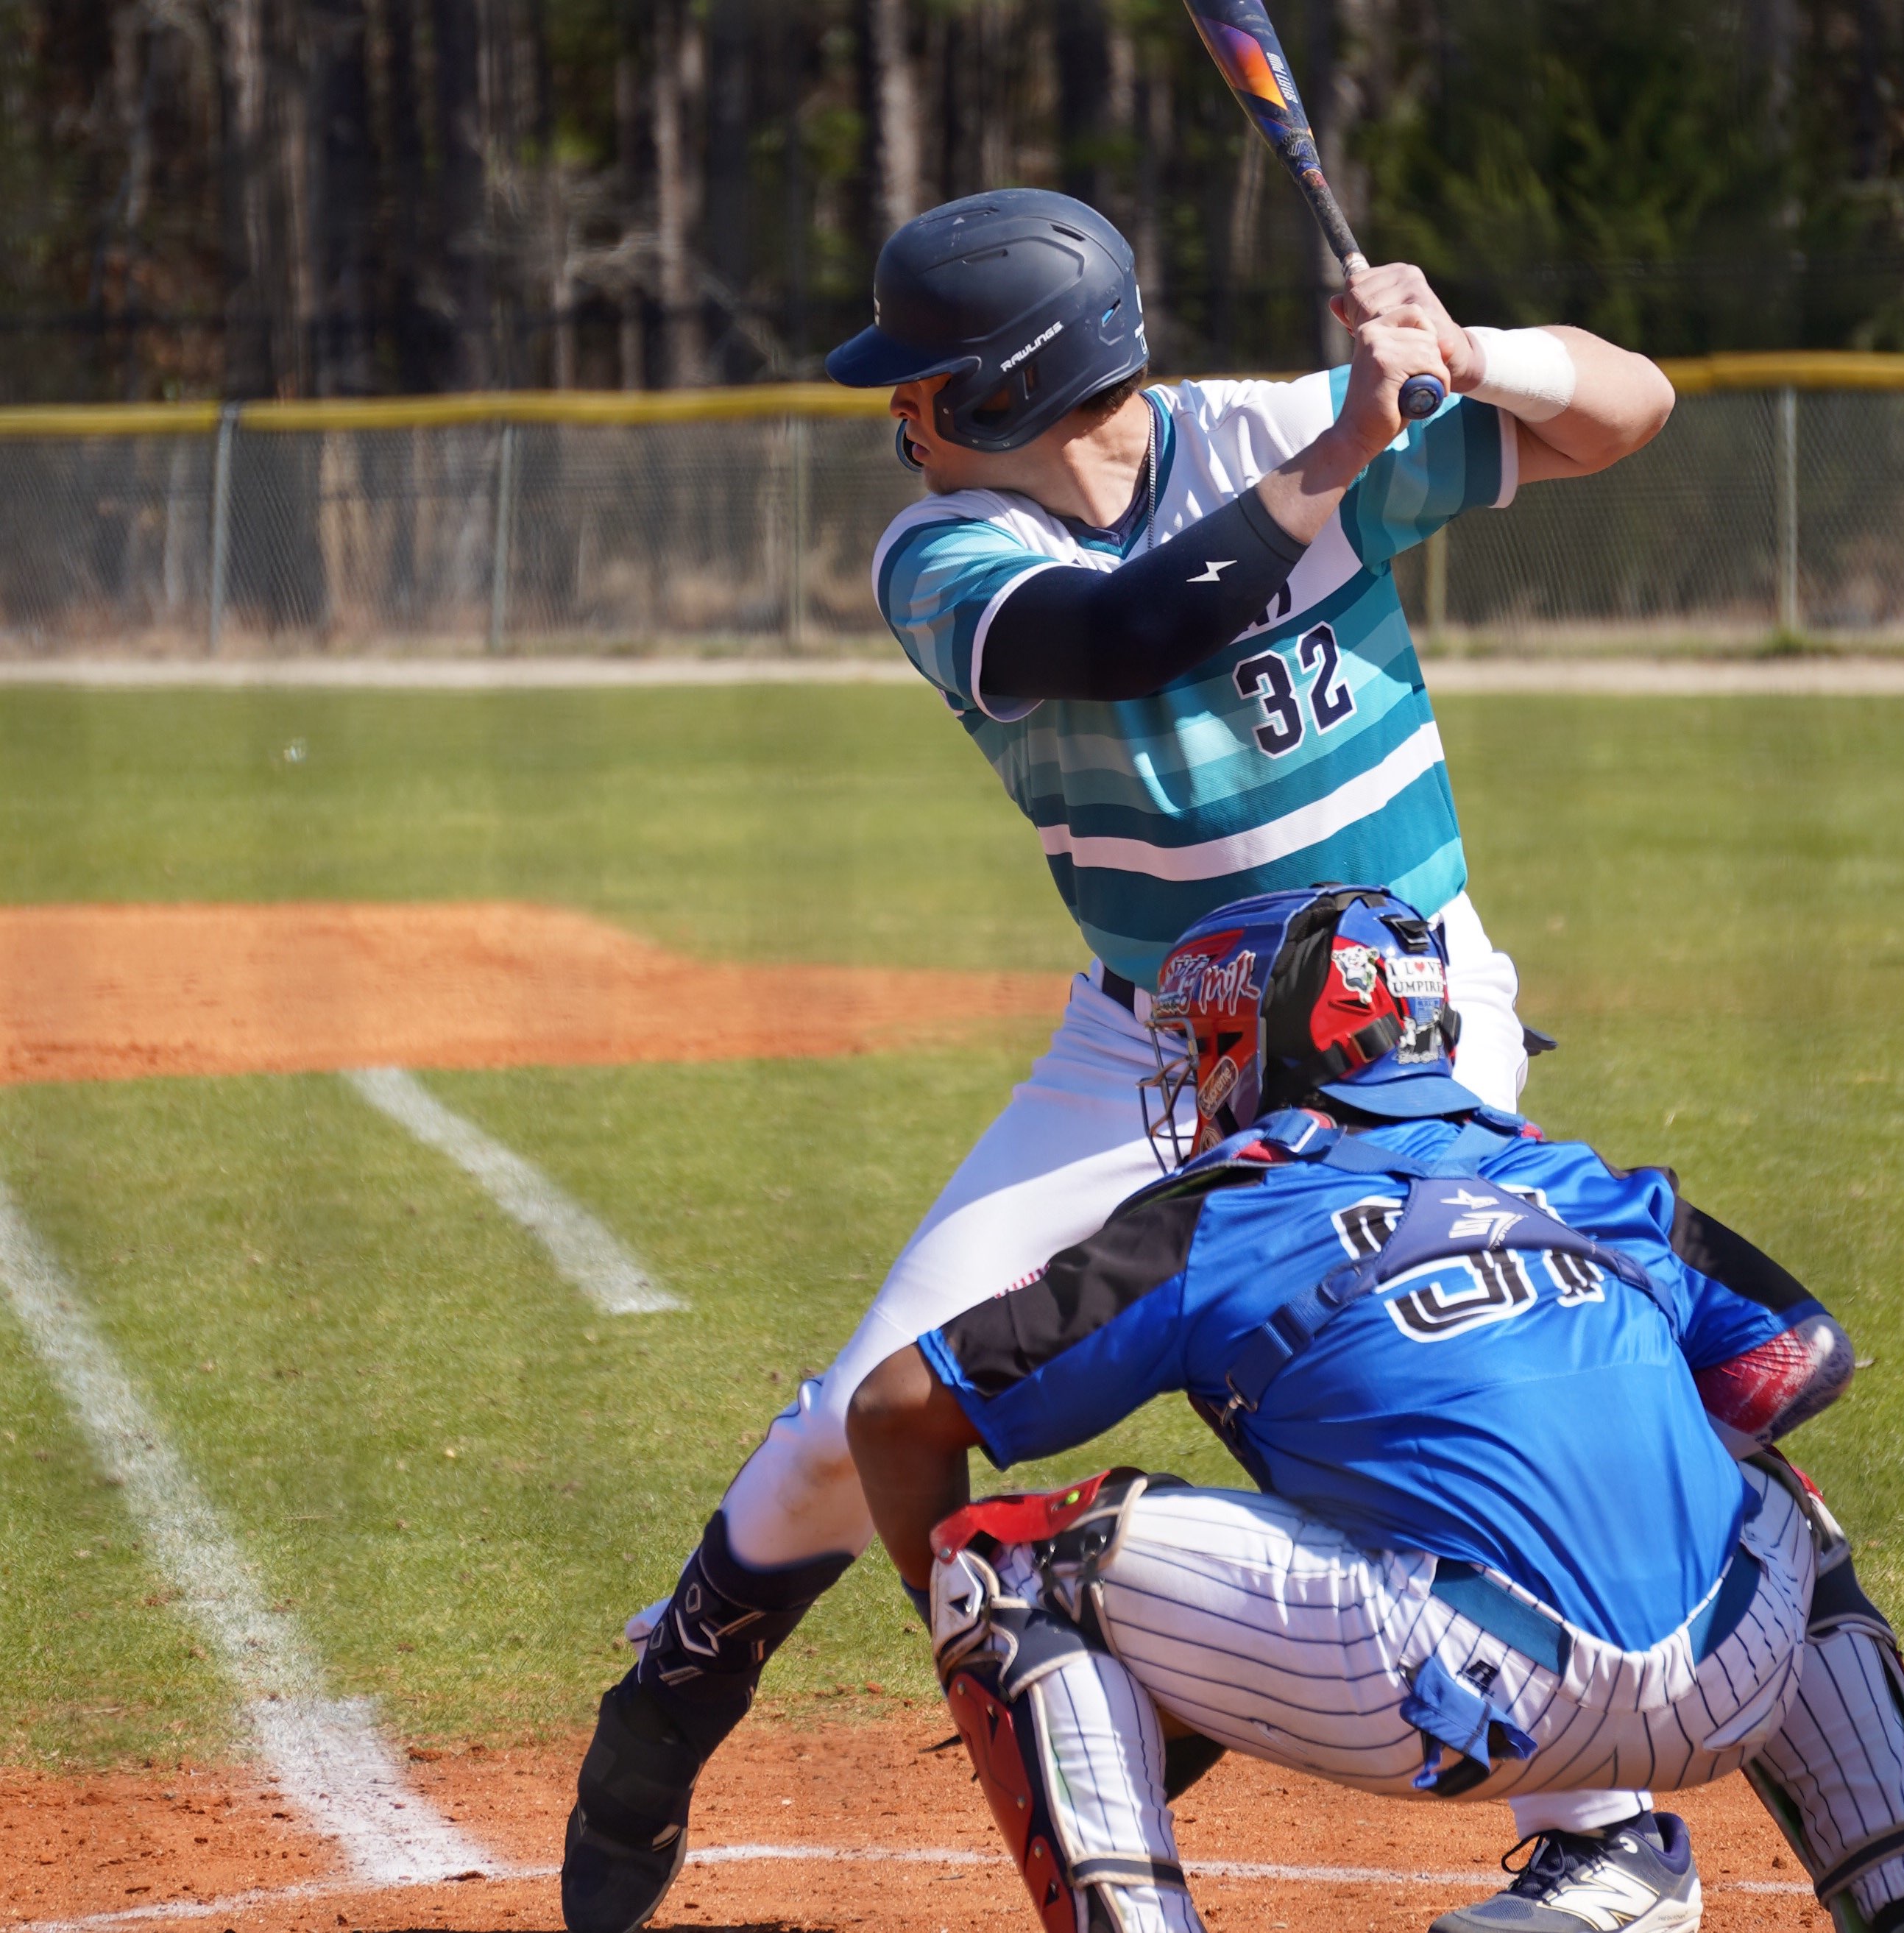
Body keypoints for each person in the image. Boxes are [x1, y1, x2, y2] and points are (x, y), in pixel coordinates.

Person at [559, 185, 1675, 1933]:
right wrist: (1334, 463)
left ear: (1005, 389)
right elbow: (1128, 631)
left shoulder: (1283, 423)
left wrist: (1469, 354)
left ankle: (1612, 1839)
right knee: (870, 1405)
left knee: (1417, 1399)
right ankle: (667, 1706)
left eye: (916, 385)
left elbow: (1630, 412)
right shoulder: (944, 553)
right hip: (1145, 1037)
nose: (894, 416)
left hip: (1405, 1028)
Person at [847, 886, 1904, 1933]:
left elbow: (895, 1409)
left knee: (1015, 1566)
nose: (1199, 1074)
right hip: (1732, 1679)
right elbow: (1801, 1357)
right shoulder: (1577, 1177)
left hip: (1458, 1701)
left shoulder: (1227, 1206)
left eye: (1211, 1041)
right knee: (1763, 1491)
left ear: (1272, 1044)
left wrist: (954, 1630)